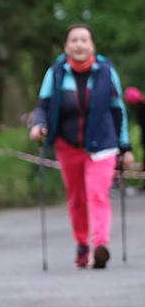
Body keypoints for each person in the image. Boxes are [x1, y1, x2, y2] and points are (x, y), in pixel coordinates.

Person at [28, 23, 134, 269]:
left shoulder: (106, 71)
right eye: (73, 40)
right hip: (68, 145)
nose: (79, 44)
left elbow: (119, 111)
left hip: (103, 144)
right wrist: (37, 125)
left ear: (92, 46)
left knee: (97, 194)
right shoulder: (56, 73)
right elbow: (42, 106)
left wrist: (125, 146)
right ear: (66, 46)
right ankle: (82, 245)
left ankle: (100, 246)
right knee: (76, 199)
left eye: (84, 40)